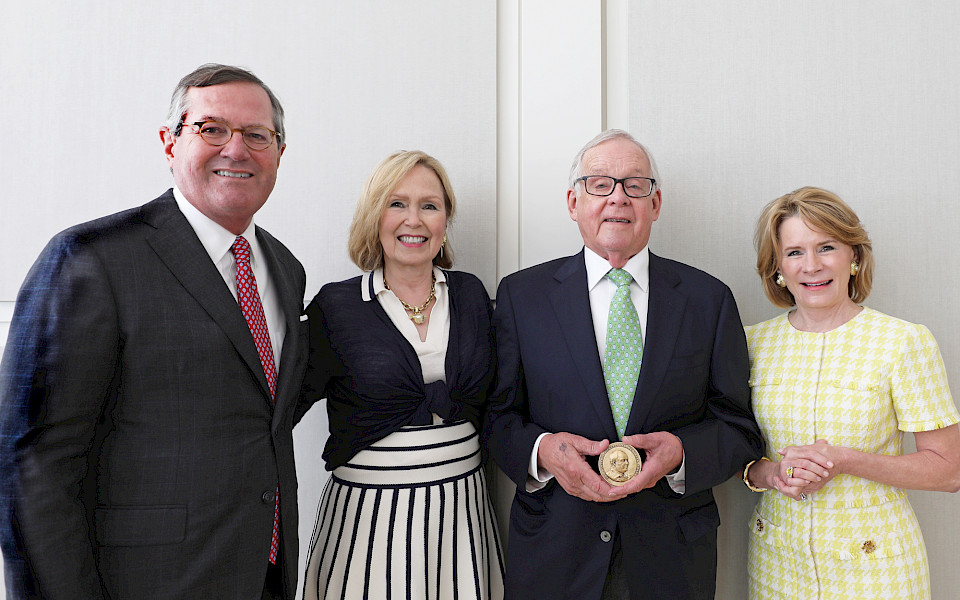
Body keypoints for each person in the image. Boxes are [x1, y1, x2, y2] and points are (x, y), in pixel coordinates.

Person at [0, 64, 314, 599]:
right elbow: (33, 466)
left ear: (279, 154)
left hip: (262, 577)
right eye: (211, 129)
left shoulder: (285, 268)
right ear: (170, 143)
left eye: (256, 135)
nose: (236, 149)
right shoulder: (91, 259)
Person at [484, 129, 763, 599]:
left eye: (635, 185)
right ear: (573, 202)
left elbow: (738, 427)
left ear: (655, 203)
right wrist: (543, 451)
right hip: (556, 554)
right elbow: (495, 417)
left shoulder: (707, 300)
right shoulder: (520, 296)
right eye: (600, 184)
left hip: (671, 557)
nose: (618, 197)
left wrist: (680, 453)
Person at [300, 151, 504, 600]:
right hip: (368, 522)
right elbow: (277, 405)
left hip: (461, 517)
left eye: (429, 205)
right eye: (397, 204)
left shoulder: (472, 295)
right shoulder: (336, 308)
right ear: (375, 215)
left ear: (445, 219)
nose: (414, 220)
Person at [741, 186, 960, 600]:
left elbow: (949, 471)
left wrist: (845, 460)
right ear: (777, 269)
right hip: (777, 565)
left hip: (878, 568)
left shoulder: (903, 342)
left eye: (827, 247)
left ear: (854, 257)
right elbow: (731, 454)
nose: (812, 265)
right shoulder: (751, 345)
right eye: (794, 253)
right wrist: (771, 474)